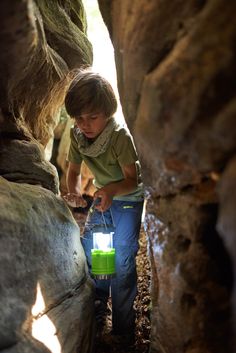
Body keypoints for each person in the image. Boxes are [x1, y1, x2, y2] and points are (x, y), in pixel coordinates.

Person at [64, 68, 144, 345]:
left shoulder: (120, 138)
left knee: (121, 260)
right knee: (95, 253)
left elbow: (133, 180)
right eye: (79, 118)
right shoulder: (77, 136)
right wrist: (73, 194)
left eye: (93, 117)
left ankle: (124, 330)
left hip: (127, 200)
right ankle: (96, 317)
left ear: (107, 113)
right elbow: (72, 170)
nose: (85, 124)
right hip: (103, 198)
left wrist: (110, 190)